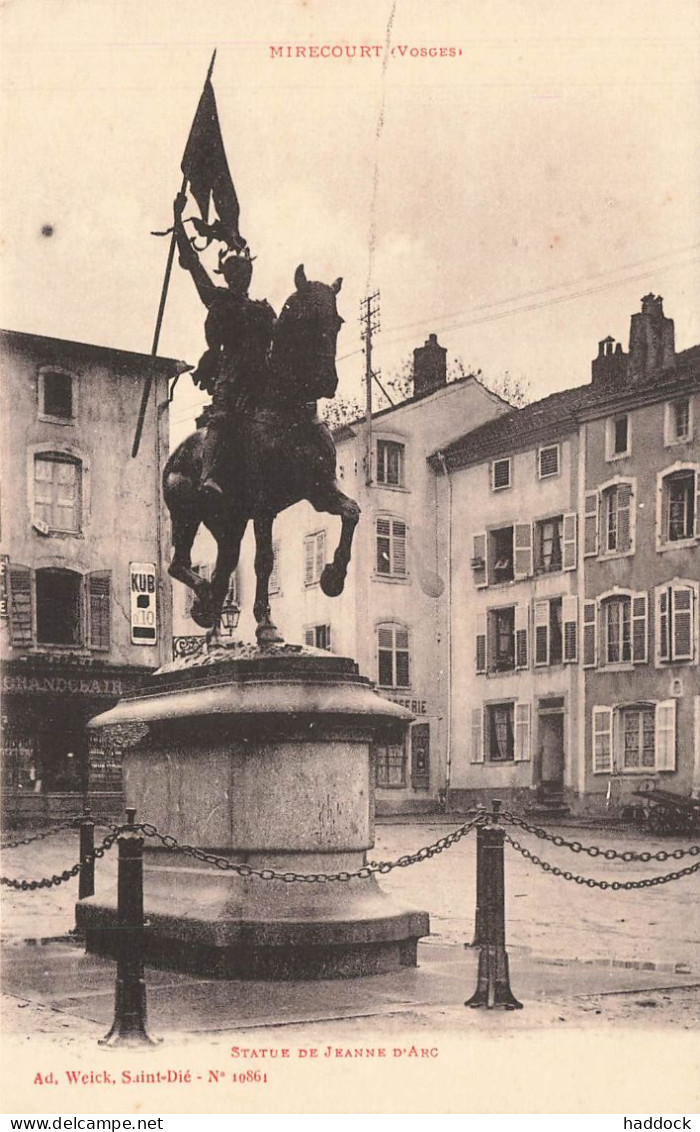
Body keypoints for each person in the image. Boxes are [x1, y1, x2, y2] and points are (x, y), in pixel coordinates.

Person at [173, 192, 276, 499]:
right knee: (222, 418)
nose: (243, 277)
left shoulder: (262, 308)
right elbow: (192, 264)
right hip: (232, 374)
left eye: (246, 272)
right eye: (237, 273)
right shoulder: (219, 299)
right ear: (229, 275)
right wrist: (178, 222)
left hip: (262, 376)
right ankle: (208, 475)